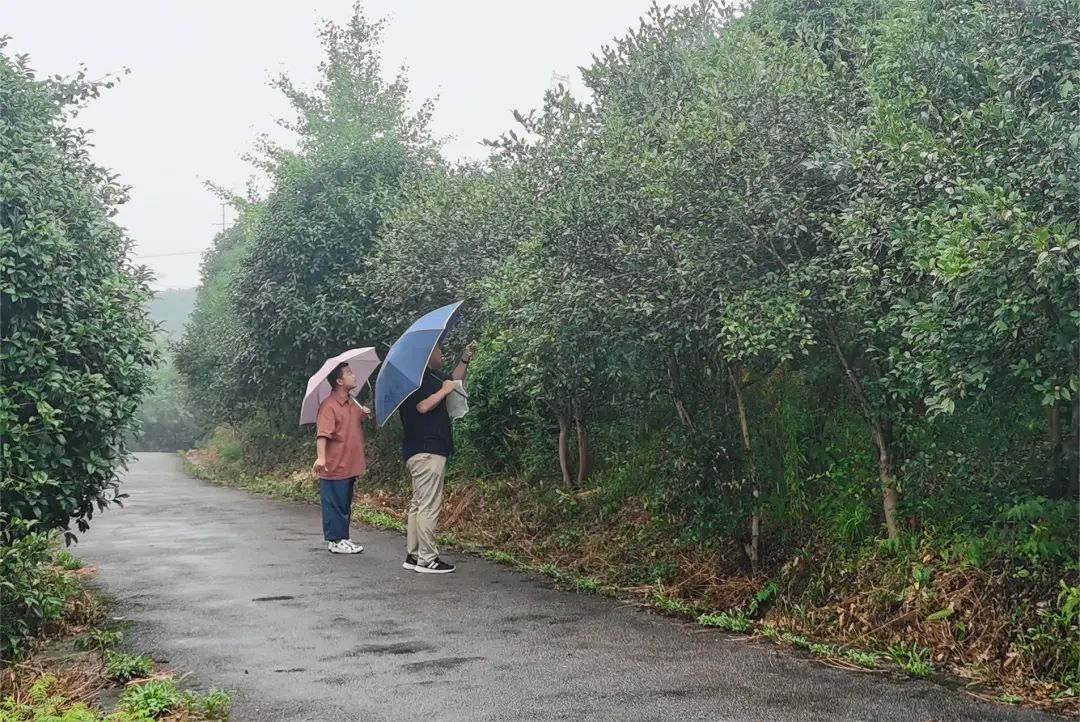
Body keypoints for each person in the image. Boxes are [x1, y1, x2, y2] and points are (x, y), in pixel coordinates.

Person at [400, 342, 475, 574]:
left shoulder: (430, 377)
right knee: (428, 505)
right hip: (427, 450)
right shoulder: (418, 381)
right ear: (427, 352)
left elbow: (453, 381)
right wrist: (443, 391)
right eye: (438, 348)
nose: (442, 352)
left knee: (418, 503)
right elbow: (422, 406)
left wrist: (464, 360)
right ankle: (427, 559)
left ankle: (414, 555)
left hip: (421, 450)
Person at [313, 362, 371, 554]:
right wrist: (321, 458)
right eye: (349, 373)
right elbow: (323, 434)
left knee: (344, 503)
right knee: (335, 503)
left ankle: (343, 537)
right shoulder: (329, 406)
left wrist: (364, 414)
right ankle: (336, 540)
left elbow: (351, 423)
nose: (354, 375)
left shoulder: (352, 403)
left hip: (349, 463)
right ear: (339, 381)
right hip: (335, 464)